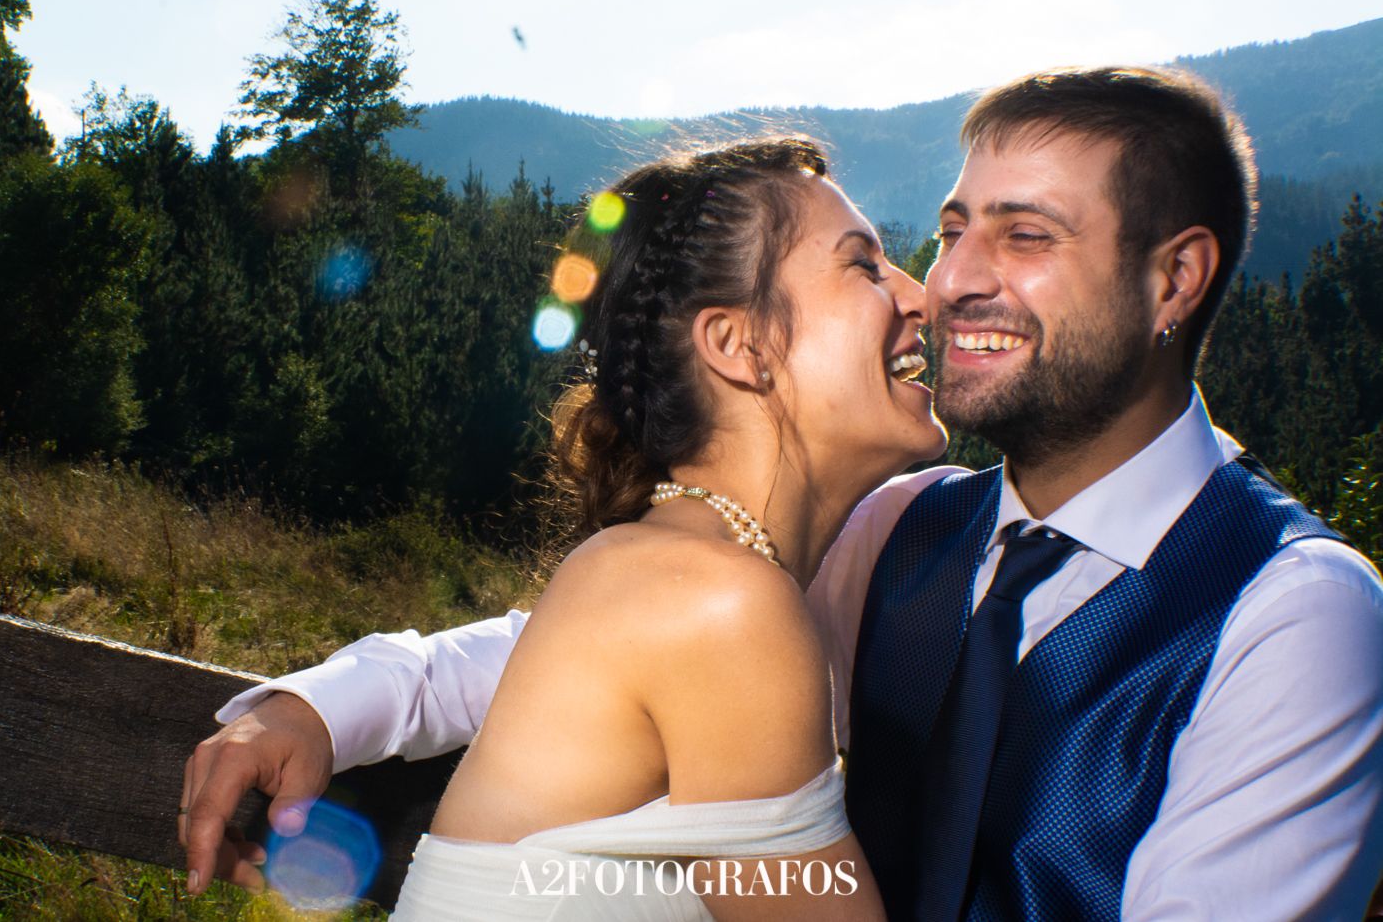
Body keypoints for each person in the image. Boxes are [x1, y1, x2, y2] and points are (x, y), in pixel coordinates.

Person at [183, 66, 1383, 920]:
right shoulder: (896, 532)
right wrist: (324, 704)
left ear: (1174, 277)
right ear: (735, 346)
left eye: (1021, 238)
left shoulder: (1295, 612)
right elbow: (577, 651)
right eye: (949, 229)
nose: (946, 282)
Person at [183, 137, 946, 917]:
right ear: (738, 344)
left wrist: (321, 705)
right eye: (864, 264)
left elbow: (498, 658)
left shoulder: (680, 571)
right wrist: (310, 706)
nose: (923, 294)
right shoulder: (720, 600)